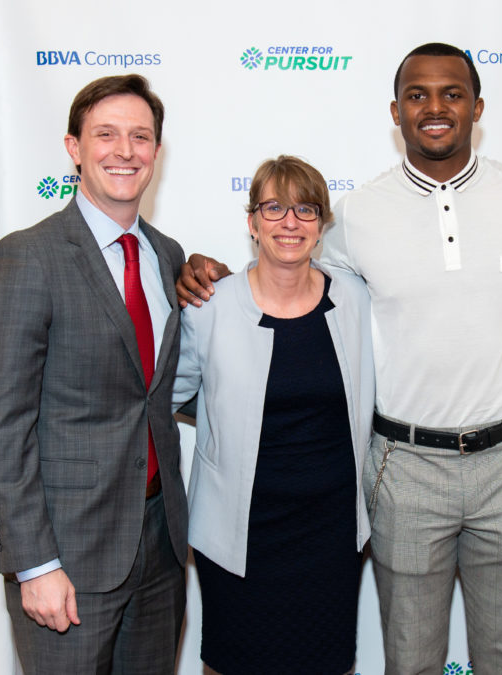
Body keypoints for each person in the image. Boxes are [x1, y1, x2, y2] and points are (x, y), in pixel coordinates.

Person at [177, 43, 502, 675]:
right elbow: (289, 272)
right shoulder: (355, 215)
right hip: (405, 468)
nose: (434, 107)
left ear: (477, 107)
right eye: (416, 95)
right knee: (411, 660)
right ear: (394, 112)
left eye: (452, 93)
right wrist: (209, 280)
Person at [0, 74, 188, 674]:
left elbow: (160, 389)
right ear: (74, 148)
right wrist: (35, 565)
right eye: (106, 135)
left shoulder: (166, 254)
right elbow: (3, 425)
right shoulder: (27, 258)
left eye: (140, 137)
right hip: (67, 553)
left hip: (160, 542)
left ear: (156, 152)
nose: (125, 151)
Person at [173, 156, 374, 675]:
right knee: (232, 662)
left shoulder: (354, 298)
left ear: (323, 224)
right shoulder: (210, 306)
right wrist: (233, 410)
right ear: (253, 223)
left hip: (329, 533)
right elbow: (170, 394)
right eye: (274, 208)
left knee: (325, 664)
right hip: (239, 532)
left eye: (306, 209)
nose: (290, 222)